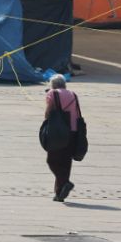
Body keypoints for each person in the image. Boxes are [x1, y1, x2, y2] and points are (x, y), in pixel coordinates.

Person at [44, 74, 80, 202]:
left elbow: (48, 113)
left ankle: (65, 182)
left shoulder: (52, 94)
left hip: (58, 131)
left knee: (52, 160)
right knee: (65, 162)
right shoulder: (73, 94)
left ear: (53, 85)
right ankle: (59, 193)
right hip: (73, 131)